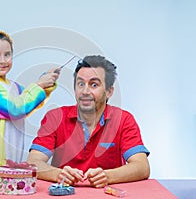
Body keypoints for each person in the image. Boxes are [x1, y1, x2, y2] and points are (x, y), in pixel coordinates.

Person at [27, 55, 150, 188]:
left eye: (94, 85)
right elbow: (33, 162)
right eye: (80, 84)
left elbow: (142, 167)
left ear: (109, 91)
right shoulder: (55, 117)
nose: (85, 91)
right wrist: (58, 174)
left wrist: (107, 176)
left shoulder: (124, 119)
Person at [0, 30, 60, 189]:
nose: (3, 60)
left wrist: (45, 84)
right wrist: (39, 85)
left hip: (9, 161)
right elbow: (15, 109)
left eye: (7, 54)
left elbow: (28, 101)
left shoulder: (10, 85)